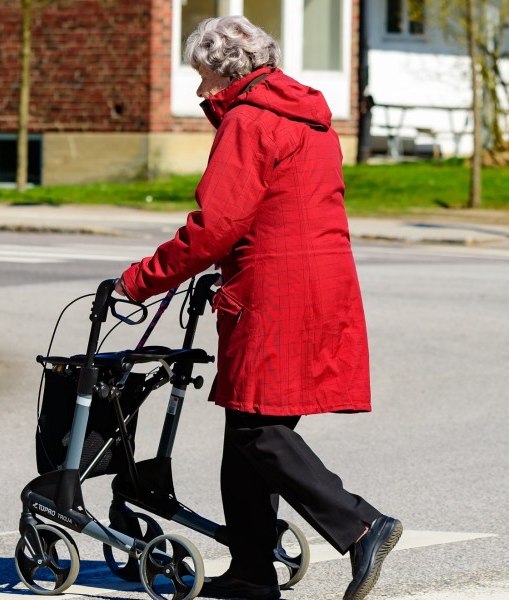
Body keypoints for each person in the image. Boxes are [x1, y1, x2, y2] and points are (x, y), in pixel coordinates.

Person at [114, 15, 402, 600]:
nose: (199, 92)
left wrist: (140, 281)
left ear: (225, 73)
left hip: (275, 292)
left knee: (256, 430)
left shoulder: (249, 121)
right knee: (245, 433)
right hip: (321, 283)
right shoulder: (309, 116)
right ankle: (250, 573)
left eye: (202, 76)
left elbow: (216, 225)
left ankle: (360, 524)